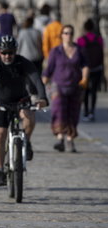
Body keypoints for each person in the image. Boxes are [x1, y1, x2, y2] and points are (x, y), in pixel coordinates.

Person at [0, 35, 48, 186]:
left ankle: (27, 142)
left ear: (15, 51)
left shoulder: (23, 62)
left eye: (10, 52)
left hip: (21, 100)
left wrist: (42, 97)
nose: (7, 56)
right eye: (3, 53)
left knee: (29, 117)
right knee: (0, 134)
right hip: (0, 102)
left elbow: (36, 78)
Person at [42, 25, 89, 153]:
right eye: (66, 33)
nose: (68, 35)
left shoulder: (79, 50)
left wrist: (84, 78)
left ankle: (70, 139)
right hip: (58, 86)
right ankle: (60, 138)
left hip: (75, 86)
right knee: (59, 112)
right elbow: (48, 70)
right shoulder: (56, 51)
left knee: (73, 113)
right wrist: (40, 87)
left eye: (70, 33)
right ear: (61, 35)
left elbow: (85, 66)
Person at [77, 19, 104, 122]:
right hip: (97, 68)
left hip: (85, 69)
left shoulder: (81, 40)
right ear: (93, 28)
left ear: (84, 28)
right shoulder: (99, 39)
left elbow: (78, 55)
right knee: (94, 91)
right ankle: (92, 112)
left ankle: (86, 112)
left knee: (86, 90)